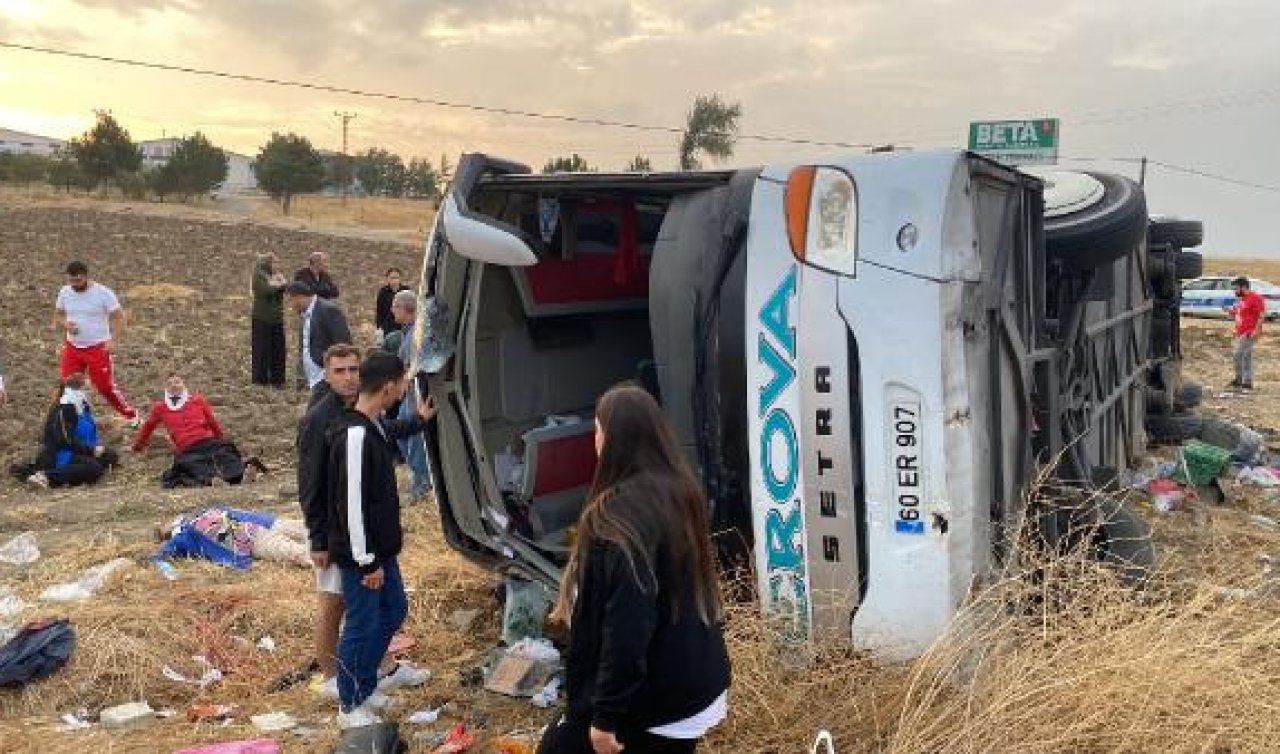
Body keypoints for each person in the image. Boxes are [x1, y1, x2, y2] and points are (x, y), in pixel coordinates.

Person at [537, 384, 730, 754]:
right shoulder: (678, 490)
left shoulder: (613, 518)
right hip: (698, 681)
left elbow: (627, 623)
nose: (594, 438)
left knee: (557, 747)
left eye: (597, 429)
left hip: (660, 698)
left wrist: (603, 717)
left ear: (613, 439)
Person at [297, 345, 433, 694]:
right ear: (326, 375)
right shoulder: (322, 419)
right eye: (340, 371)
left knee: (377, 610)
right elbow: (311, 483)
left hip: (364, 537)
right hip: (339, 532)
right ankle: (337, 680)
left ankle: (377, 671)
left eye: (354, 370)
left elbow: (386, 432)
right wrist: (319, 538)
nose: (348, 377)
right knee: (336, 605)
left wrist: (418, 419)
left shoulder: (365, 415)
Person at [327, 353, 436, 729]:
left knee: (392, 611)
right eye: (403, 383)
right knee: (361, 624)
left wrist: (420, 419)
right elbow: (351, 505)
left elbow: (395, 430)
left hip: (380, 550)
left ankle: (366, 685)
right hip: (363, 555)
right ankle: (349, 704)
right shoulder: (355, 434)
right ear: (389, 386)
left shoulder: (373, 424)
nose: (405, 389)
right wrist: (365, 562)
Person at [131, 373, 261, 488]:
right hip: (188, 449)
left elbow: (212, 422)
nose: (174, 386)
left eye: (177, 382)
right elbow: (147, 427)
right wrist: (137, 447)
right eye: (169, 384)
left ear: (183, 384)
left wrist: (221, 440)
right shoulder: (160, 408)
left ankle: (244, 475)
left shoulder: (197, 400)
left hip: (208, 441)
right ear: (165, 388)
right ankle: (213, 481)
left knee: (225, 454)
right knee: (189, 464)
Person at [54, 261, 139, 427]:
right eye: (71, 281)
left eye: (78, 281)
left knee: (105, 387)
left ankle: (131, 415)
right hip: (73, 348)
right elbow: (58, 314)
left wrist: (113, 340)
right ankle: (67, 420)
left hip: (97, 348)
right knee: (67, 386)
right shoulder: (65, 292)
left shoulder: (103, 293)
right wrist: (65, 324)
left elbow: (119, 317)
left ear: (86, 276)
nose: (74, 285)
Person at [14, 373, 119, 489]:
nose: (93, 391)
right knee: (93, 468)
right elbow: (65, 441)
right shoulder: (65, 409)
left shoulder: (83, 406)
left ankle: (77, 472)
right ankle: (45, 476)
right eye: (88, 388)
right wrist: (91, 450)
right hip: (61, 454)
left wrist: (95, 447)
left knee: (110, 455)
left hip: (80, 450)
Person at [155, 506, 312, 569]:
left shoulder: (190, 527)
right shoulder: (185, 533)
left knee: (301, 543)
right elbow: (163, 554)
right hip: (254, 533)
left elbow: (164, 553)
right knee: (300, 543)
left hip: (254, 533)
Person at [385, 290, 432, 498]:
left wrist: (404, 378)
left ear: (405, 309)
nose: (391, 310)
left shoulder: (418, 333)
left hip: (416, 392)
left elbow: (416, 365)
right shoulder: (408, 331)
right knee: (404, 436)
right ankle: (418, 481)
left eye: (395, 306)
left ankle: (422, 486)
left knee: (414, 439)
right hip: (408, 393)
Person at [287, 281, 352, 403]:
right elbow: (304, 347)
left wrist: (335, 370)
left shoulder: (328, 310)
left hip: (325, 374)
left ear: (299, 297)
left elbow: (343, 342)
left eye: (291, 300)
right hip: (312, 376)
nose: (291, 305)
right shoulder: (304, 314)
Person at [251, 252, 289, 387]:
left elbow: (284, 285)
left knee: (278, 349)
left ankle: (277, 379)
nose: (278, 266)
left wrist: (278, 284)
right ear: (268, 263)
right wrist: (278, 284)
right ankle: (260, 379)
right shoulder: (259, 275)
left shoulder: (272, 275)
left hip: (276, 318)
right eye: (275, 263)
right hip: (262, 318)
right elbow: (267, 290)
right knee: (262, 349)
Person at [1225, 276, 1265, 390]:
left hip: (1249, 332)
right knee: (1242, 356)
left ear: (1244, 287)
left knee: (1240, 355)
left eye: (1236, 289)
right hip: (1240, 332)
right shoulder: (1242, 299)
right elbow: (1238, 313)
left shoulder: (1255, 298)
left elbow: (1261, 316)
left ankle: (1243, 381)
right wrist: (1230, 311)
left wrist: (1256, 331)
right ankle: (1243, 381)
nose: (1235, 291)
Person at [374, 268, 410, 346]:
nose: (394, 280)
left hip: (403, 325)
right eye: (392, 278)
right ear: (387, 279)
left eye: (396, 277)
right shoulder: (383, 292)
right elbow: (379, 311)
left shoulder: (406, 290)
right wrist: (379, 328)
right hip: (388, 326)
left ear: (400, 279)